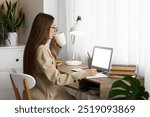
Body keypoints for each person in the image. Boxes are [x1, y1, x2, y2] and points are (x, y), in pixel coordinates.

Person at [23, 13, 97, 100]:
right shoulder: (42, 49)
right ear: (45, 28)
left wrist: (55, 47)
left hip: (36, 92)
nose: (55, 31)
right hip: (46, 96)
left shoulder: (32, 46)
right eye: (53, 27)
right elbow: (58, 79)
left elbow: (47, 65)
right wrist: (85, 73)